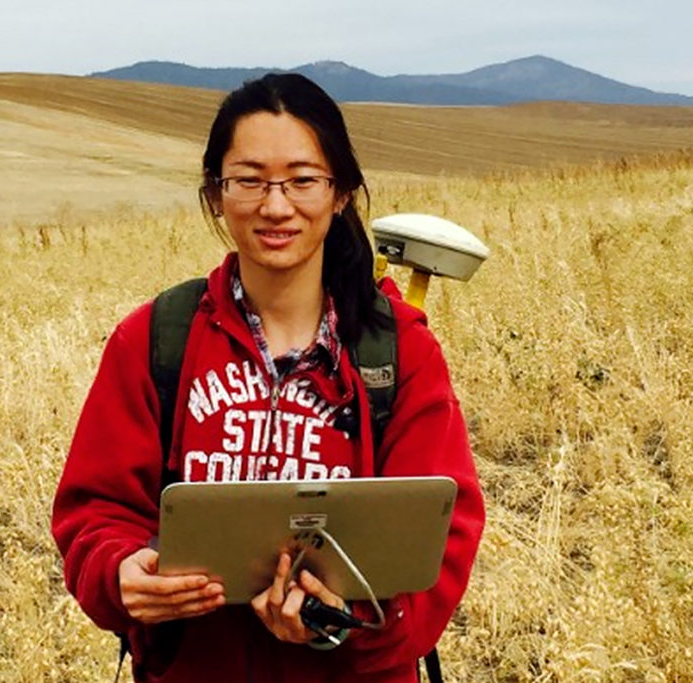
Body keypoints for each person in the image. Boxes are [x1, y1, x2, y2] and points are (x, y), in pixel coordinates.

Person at [51, 73, 485, 683]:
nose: (275, 205)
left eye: (303, 180)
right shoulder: (155, 340)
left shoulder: (399, 351)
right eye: (249, 180)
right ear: (216, 194)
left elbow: (443, 535)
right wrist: (118, 572)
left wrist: (348, 623)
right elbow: (94, 511)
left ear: (340, 195)